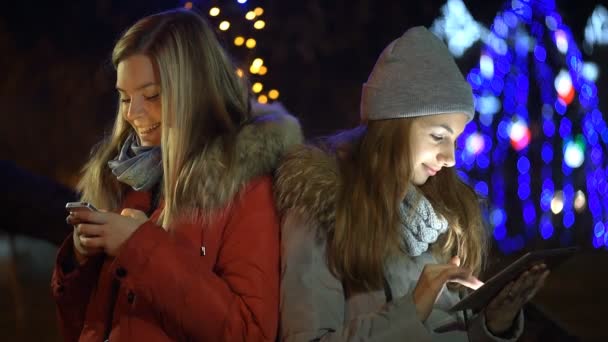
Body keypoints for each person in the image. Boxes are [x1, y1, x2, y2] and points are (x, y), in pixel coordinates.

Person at [275, 27, 548, 341]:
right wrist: (414, 307)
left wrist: (493, 324)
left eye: (455, 141)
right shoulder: (322, 209)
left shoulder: (436, 218)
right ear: (393, 126)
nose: (451, 158)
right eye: (438, 136)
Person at [50, 8, 302, 341]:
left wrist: (137, 246)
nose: (132, 114)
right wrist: (81, 261)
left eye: (151, 95)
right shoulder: (124, 181)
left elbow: (248, 332)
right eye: (125, 98)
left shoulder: (244, 185)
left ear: (193, 89)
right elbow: (83, 326)